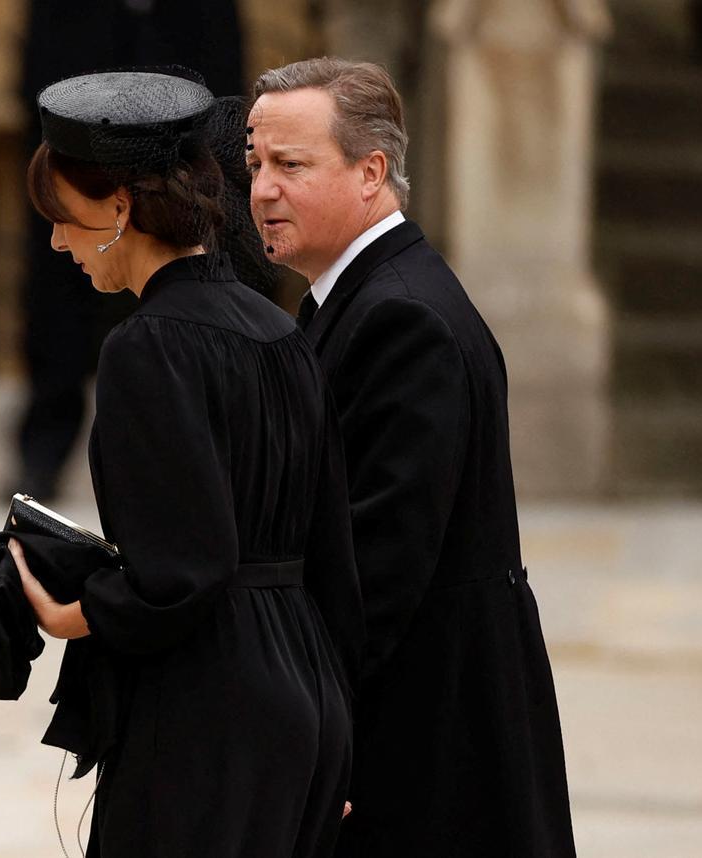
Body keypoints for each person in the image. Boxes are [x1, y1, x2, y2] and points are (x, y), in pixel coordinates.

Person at [8, 68, 365, 857]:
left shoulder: (147, 347)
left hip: (211, 707)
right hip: (308, 700)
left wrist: (77, 610)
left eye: (63, 217)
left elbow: (184, 569)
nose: (58, 241)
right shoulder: (280, 329)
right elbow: (334, 554)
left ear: (120, 208)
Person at [246, 57, 576, 857]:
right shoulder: (360, 298)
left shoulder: (404, 320)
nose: (259, 190)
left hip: (425, 750)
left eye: (290, 165)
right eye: (253, 163)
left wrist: (309, 734)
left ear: (372, 173)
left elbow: (373, 573)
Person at [10, 0, 246, 500]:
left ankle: (216, 436)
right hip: (79, 54)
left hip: (188, 51)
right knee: (61, 263)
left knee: (198, 248)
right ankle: (44, 448)